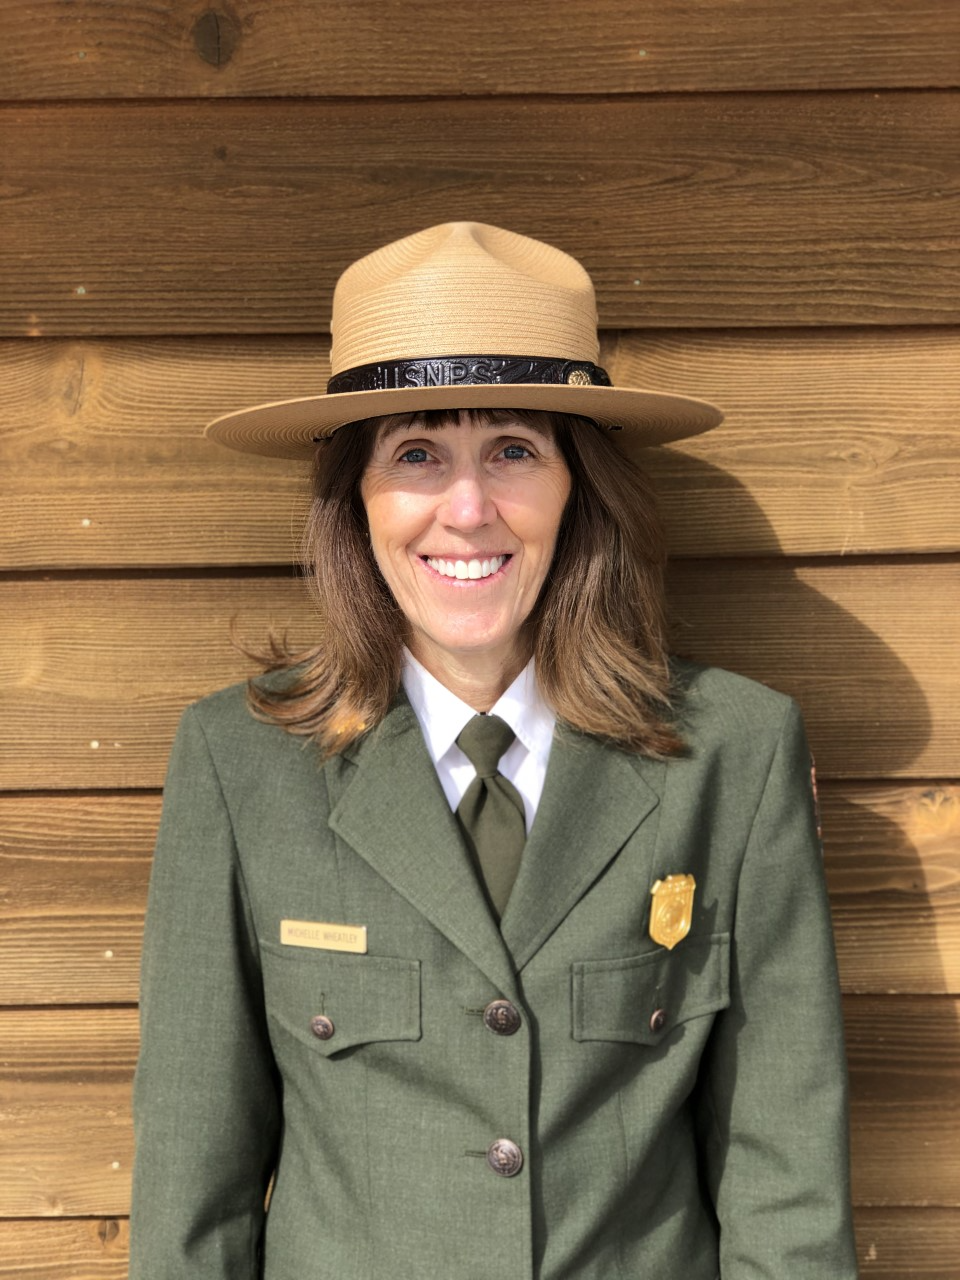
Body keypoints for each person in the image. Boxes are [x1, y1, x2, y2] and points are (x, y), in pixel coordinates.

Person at [130, 222, 858, 1278]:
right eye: (416, 453)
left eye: (513, 449)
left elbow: (787, 1183)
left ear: (579, 486)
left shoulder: (731, 757)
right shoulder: (241, 765)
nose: (466, 510)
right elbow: (191, 1198)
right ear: (358, 497)